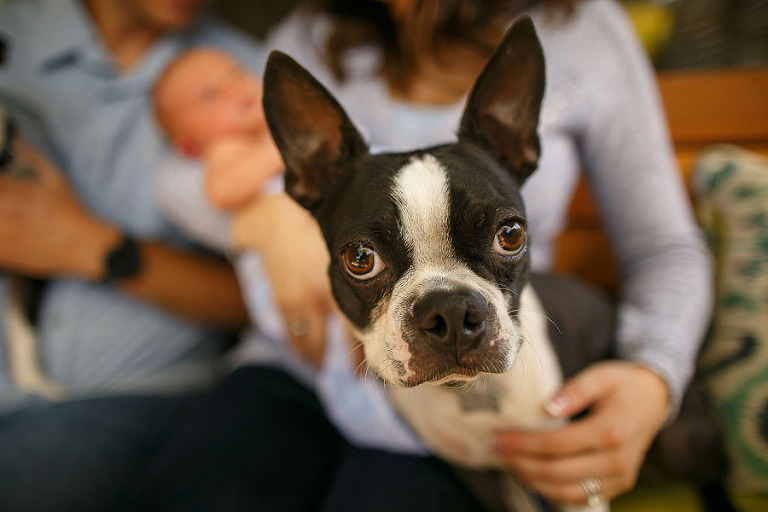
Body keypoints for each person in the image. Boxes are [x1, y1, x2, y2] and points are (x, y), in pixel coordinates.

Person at [129, 0, 713, 510]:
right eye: (365, 259)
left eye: (505, 239)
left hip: (465, 399)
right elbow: (180, 170)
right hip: (295, 368)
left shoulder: (581, 25)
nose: (447, 311)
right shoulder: (307, 35)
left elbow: (665, 247)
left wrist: (653, 373)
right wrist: (263, 219)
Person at [0, 0, 264, 510]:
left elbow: (270, 297)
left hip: (139, 393)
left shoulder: (243, 77)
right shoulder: (15, 33)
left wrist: (89, 245)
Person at [152, 47, 285, 213]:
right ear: (190, 146)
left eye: (237, 74)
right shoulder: (226, 147)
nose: (234, 88)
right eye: (210, 94)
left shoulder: (280, 108)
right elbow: (221, 191)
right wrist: (278, 148)